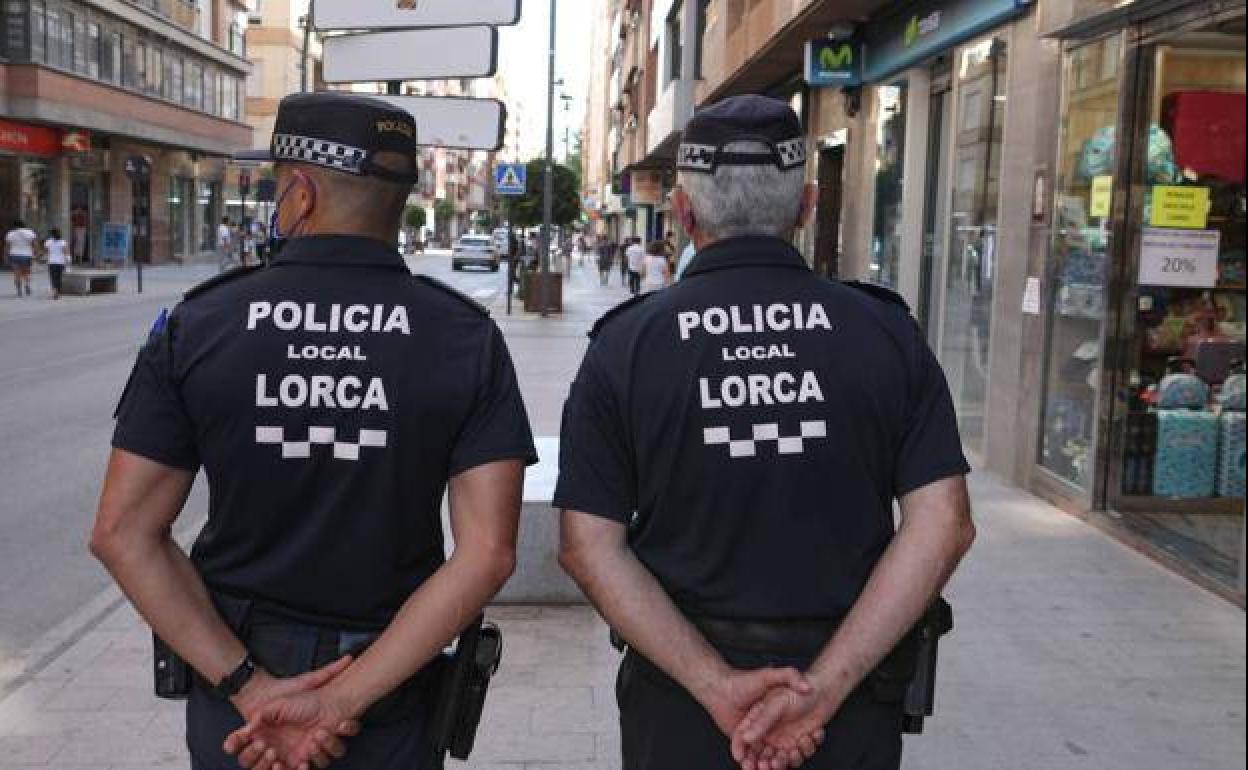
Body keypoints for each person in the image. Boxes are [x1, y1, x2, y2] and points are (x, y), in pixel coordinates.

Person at [89, 91, 537, 770]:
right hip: (388, 688)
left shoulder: (200, 325)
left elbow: (121, 533)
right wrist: (341, 700)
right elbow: (488, 552)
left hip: (238, 694)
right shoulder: (463, 338)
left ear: (299, 193)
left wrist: (249, 686)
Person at [554, 95, 976, 770]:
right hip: (851, 702)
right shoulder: (885, 333)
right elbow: (943, 524)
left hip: (682, 708)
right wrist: (823, 691)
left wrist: (714, 686)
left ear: (685, 213)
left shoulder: (627, 346)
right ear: (806, 207)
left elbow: (585, 546)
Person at [5, 220, 38, 297]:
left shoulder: (10, 234)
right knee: (26, 272)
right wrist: (36, 254)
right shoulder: (30, 232)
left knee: (17, 274)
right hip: (27, 255)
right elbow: (35, 244)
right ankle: (27, 285)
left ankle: (19, 290)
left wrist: (5, 255)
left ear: (15, 226)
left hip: (14, 255)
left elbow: (7, 246)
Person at [44, 228, 71, 300]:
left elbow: (47, 252)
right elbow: (66, 252)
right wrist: (68, 260)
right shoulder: (63, 242)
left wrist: (46, 259)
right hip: (60, 262)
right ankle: (58, 292)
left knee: (53, 278)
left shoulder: (48, 242)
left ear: (52, 234)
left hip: (52, 262)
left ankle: (55, 292)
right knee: (59, 278)